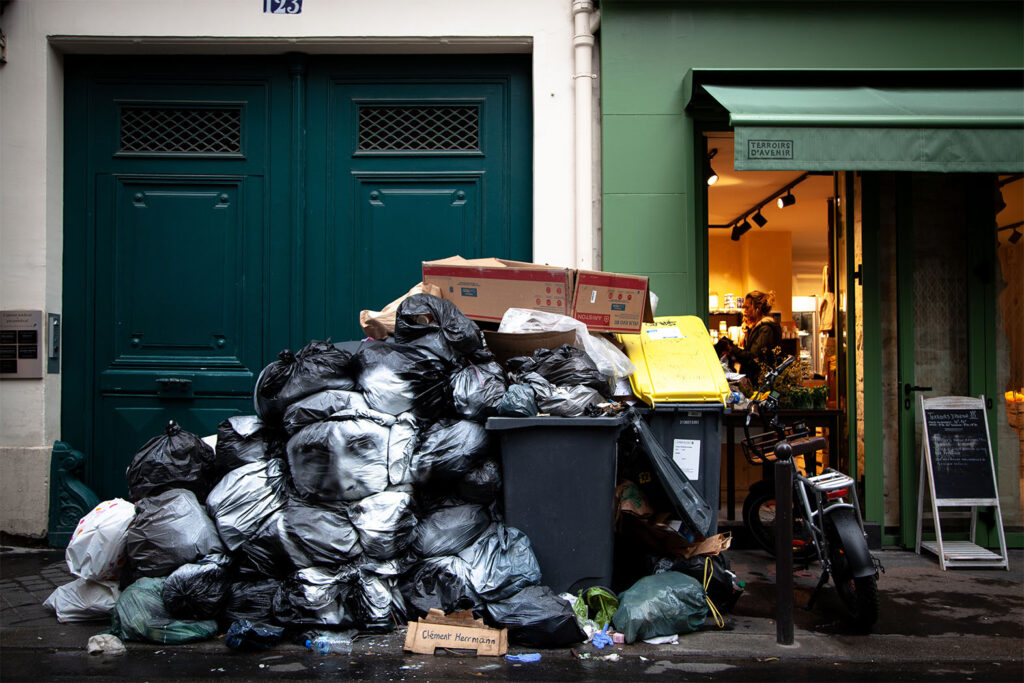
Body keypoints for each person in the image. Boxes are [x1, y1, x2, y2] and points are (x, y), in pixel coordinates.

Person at [718, 290, 781, 381]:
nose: (744, 312)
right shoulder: (756, 329)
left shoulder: (766, 330)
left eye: (747, 308)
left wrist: (731, 347)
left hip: (761, 383)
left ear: (757, 309)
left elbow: (752, 358)